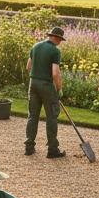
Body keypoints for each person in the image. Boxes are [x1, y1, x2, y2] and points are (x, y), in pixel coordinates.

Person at [24, 25, 66, 158]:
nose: (60, 43)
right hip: (46, 85)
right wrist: (59, 88)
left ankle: (29, 147)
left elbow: (28, 67)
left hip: (33, 84)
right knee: (51, 117)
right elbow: (55, 73)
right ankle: (52, 149)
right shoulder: (55, 51)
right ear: (57, 38)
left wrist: (37, 76)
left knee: (33, 115)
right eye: (60, 40)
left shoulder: (36, 46)